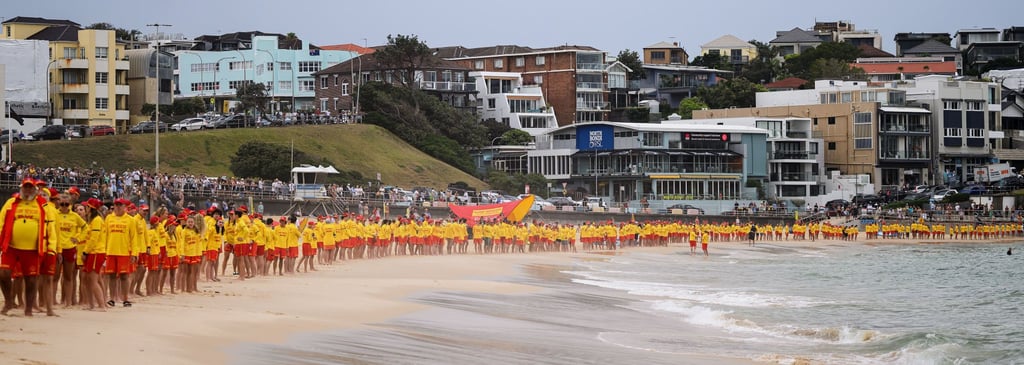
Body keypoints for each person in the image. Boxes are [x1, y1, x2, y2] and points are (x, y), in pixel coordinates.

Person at [0, 178, 57, 317]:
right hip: (12, 247)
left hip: (33, 249)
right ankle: (8, 301)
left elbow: (51, 228)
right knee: (3, 273)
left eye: (30, 187)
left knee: (31, 280)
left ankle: (29, 309)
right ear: (21, 188)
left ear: (35, 190)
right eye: (25, 187)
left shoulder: (42, 205)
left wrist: (52, 248)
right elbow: (1, 222)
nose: (28, 190)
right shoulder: (11, 202)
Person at [104, 198, 138, 308]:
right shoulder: (109, 218)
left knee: (124, 276)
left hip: (124, 252)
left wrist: (134, 253)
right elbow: (105, 235)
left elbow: (134, 238)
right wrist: (104, 251)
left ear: (125, 207)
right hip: (110, 251)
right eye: (116, 205)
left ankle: (125, 299)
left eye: (120, 205)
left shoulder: (130, 220)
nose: (118, 207)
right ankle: (112, 298)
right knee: (111, 276)